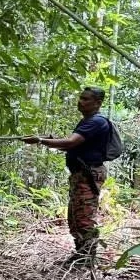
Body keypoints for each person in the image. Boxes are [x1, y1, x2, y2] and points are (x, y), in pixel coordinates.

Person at [24, 87, 111, 263]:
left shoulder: (96, 121)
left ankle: (87, 258)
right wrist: (49, 140)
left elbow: (71, 142)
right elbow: (73, 146)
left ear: (98, 103)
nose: (81, 102)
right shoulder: (87, 121)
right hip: (80, 174)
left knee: (84, 216)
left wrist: (41, 141)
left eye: (86, 99)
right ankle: (81, 254)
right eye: (81, 98)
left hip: (88, 175)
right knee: (75, 216)